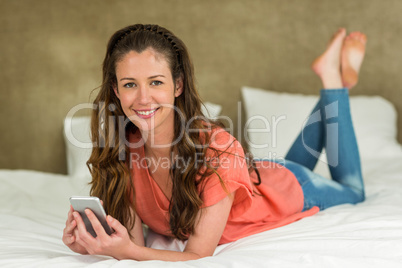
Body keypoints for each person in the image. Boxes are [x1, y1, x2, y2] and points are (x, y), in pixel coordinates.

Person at [62, 24, 367, 261]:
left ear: (177, 85)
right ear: (116, 90)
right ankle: (332, 84)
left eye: (156, 82)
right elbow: (131, 243)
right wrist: (95, 243)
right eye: (130, 84)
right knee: (297, 164)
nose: (143, 98)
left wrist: (127, 251)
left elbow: (196, 256)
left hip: (287, 188)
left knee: (355, 191)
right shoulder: (123, 150)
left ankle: (332, 82)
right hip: (256, 174)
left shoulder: (218, 150)